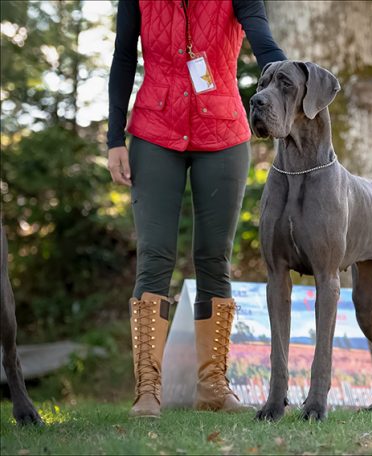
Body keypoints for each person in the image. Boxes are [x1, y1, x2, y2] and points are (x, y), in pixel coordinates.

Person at [107, 0, 286, 419]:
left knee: (213, 257)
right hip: (154, 131)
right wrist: (115, 138)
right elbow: (122, 57)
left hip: (222, 131)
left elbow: (262, 41)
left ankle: (213, 386)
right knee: (154, 256)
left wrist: (290, 77)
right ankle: (147, 389)